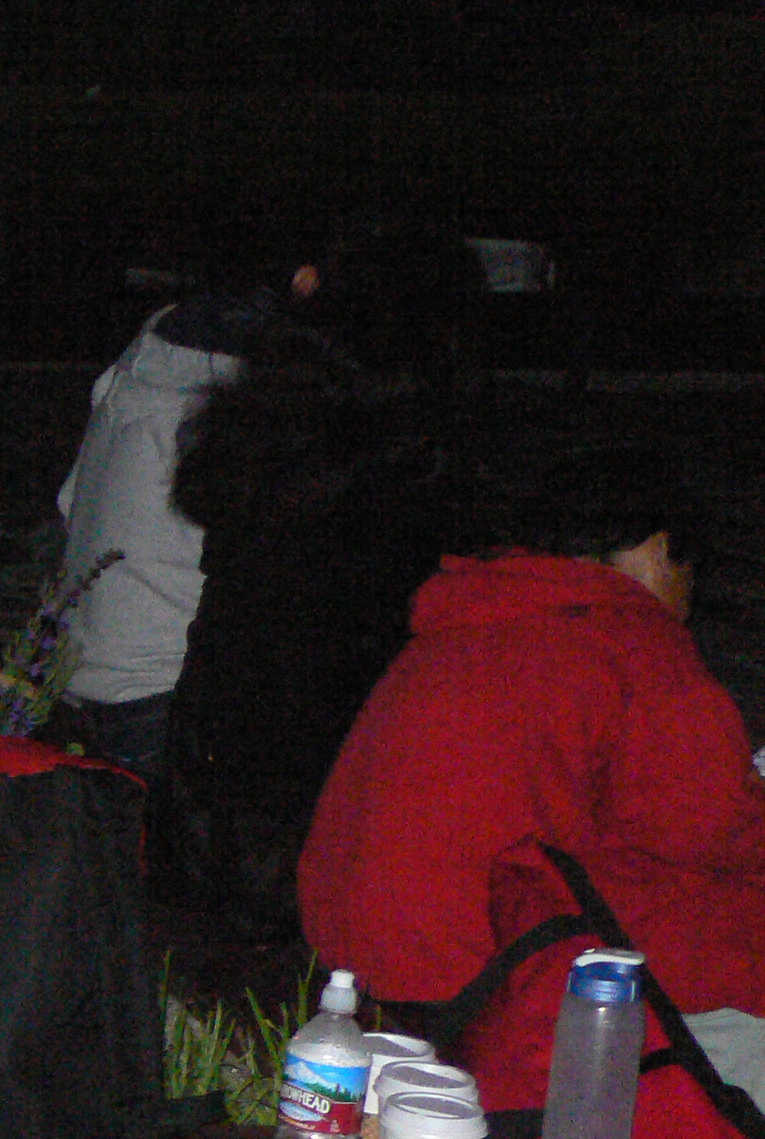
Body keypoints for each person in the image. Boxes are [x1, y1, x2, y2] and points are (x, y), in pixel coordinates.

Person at [297, 449, 765, 1101]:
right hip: (480, 971)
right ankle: (721, 1126)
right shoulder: (632, 639)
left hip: (357, 956)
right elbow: (714, 830)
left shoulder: (465, 617)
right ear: (659, 550)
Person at [49, 265, 308, 775]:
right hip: (158, 694)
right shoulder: (240, 405)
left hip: (72, 679)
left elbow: (69, 501)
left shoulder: (135, 371)